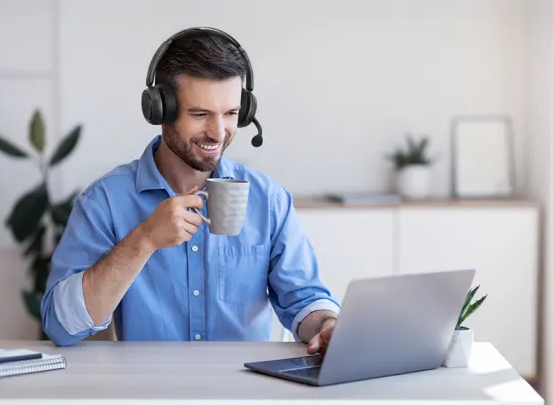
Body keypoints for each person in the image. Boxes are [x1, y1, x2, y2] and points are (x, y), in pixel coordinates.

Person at [40, 27, 341, 353]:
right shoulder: (105, 202)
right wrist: (145, 238)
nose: (218, 132)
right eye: (200, 114)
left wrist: (327, 326)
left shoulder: (269, 201)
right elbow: (61, 325)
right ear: (160, 110)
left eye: (230, 114)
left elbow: (305, 299)